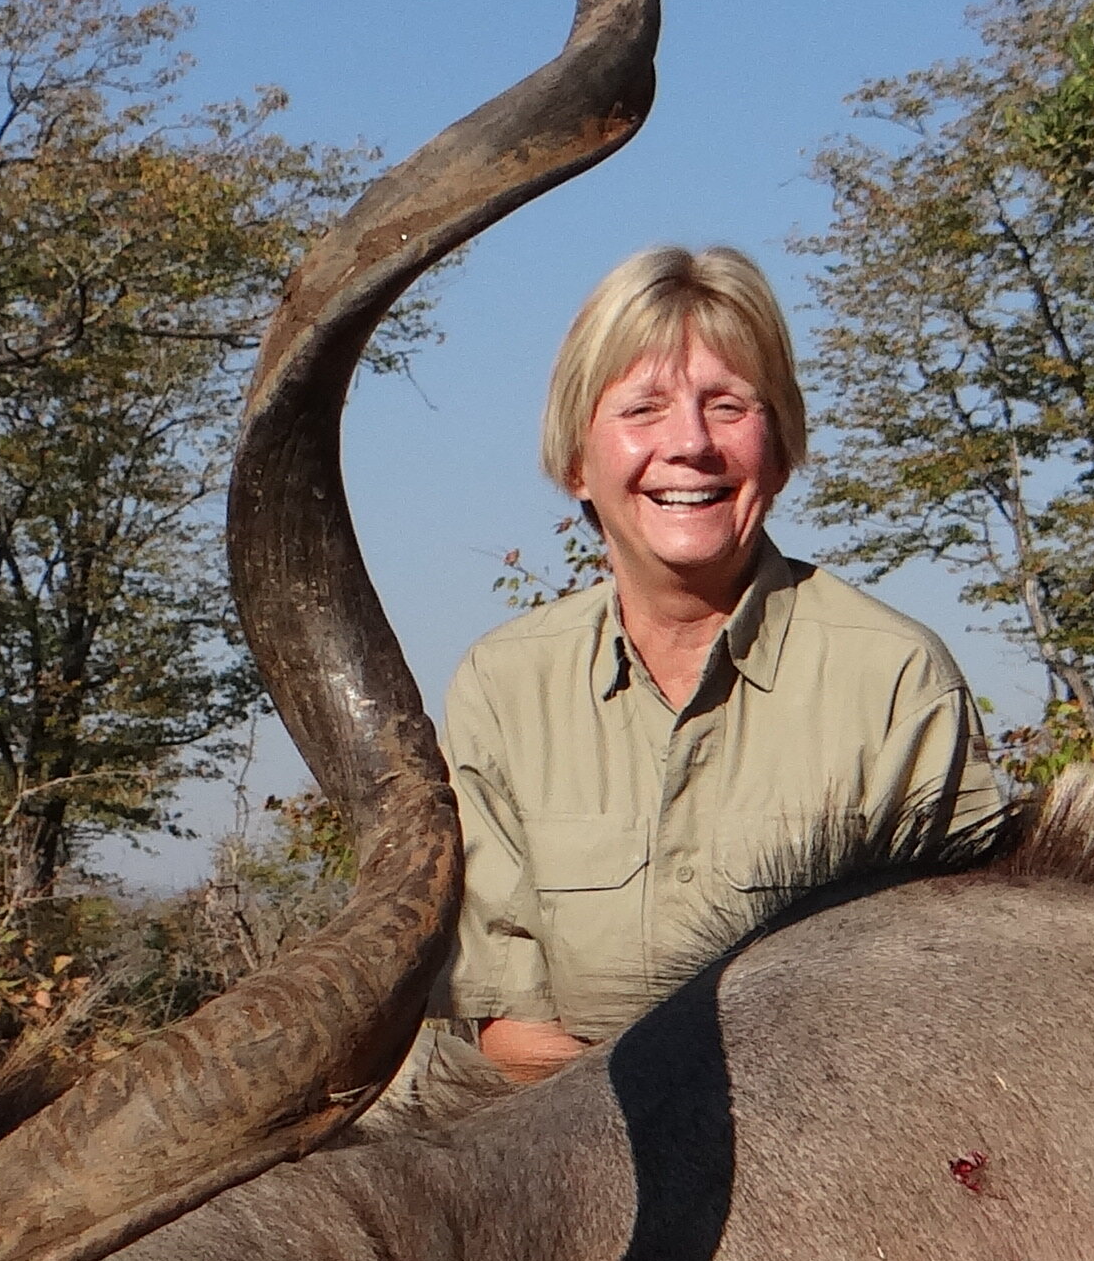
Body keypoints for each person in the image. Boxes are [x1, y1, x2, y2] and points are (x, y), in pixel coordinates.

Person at [426, 244, 1003, 1099]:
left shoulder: (895, 679)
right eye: (643, 409)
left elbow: (952, 1012)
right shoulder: (505, 688)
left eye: (727, 405)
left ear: (779, 450)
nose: (689, 445)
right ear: (577, 461)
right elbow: (506, 1033)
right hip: (563, 1177)